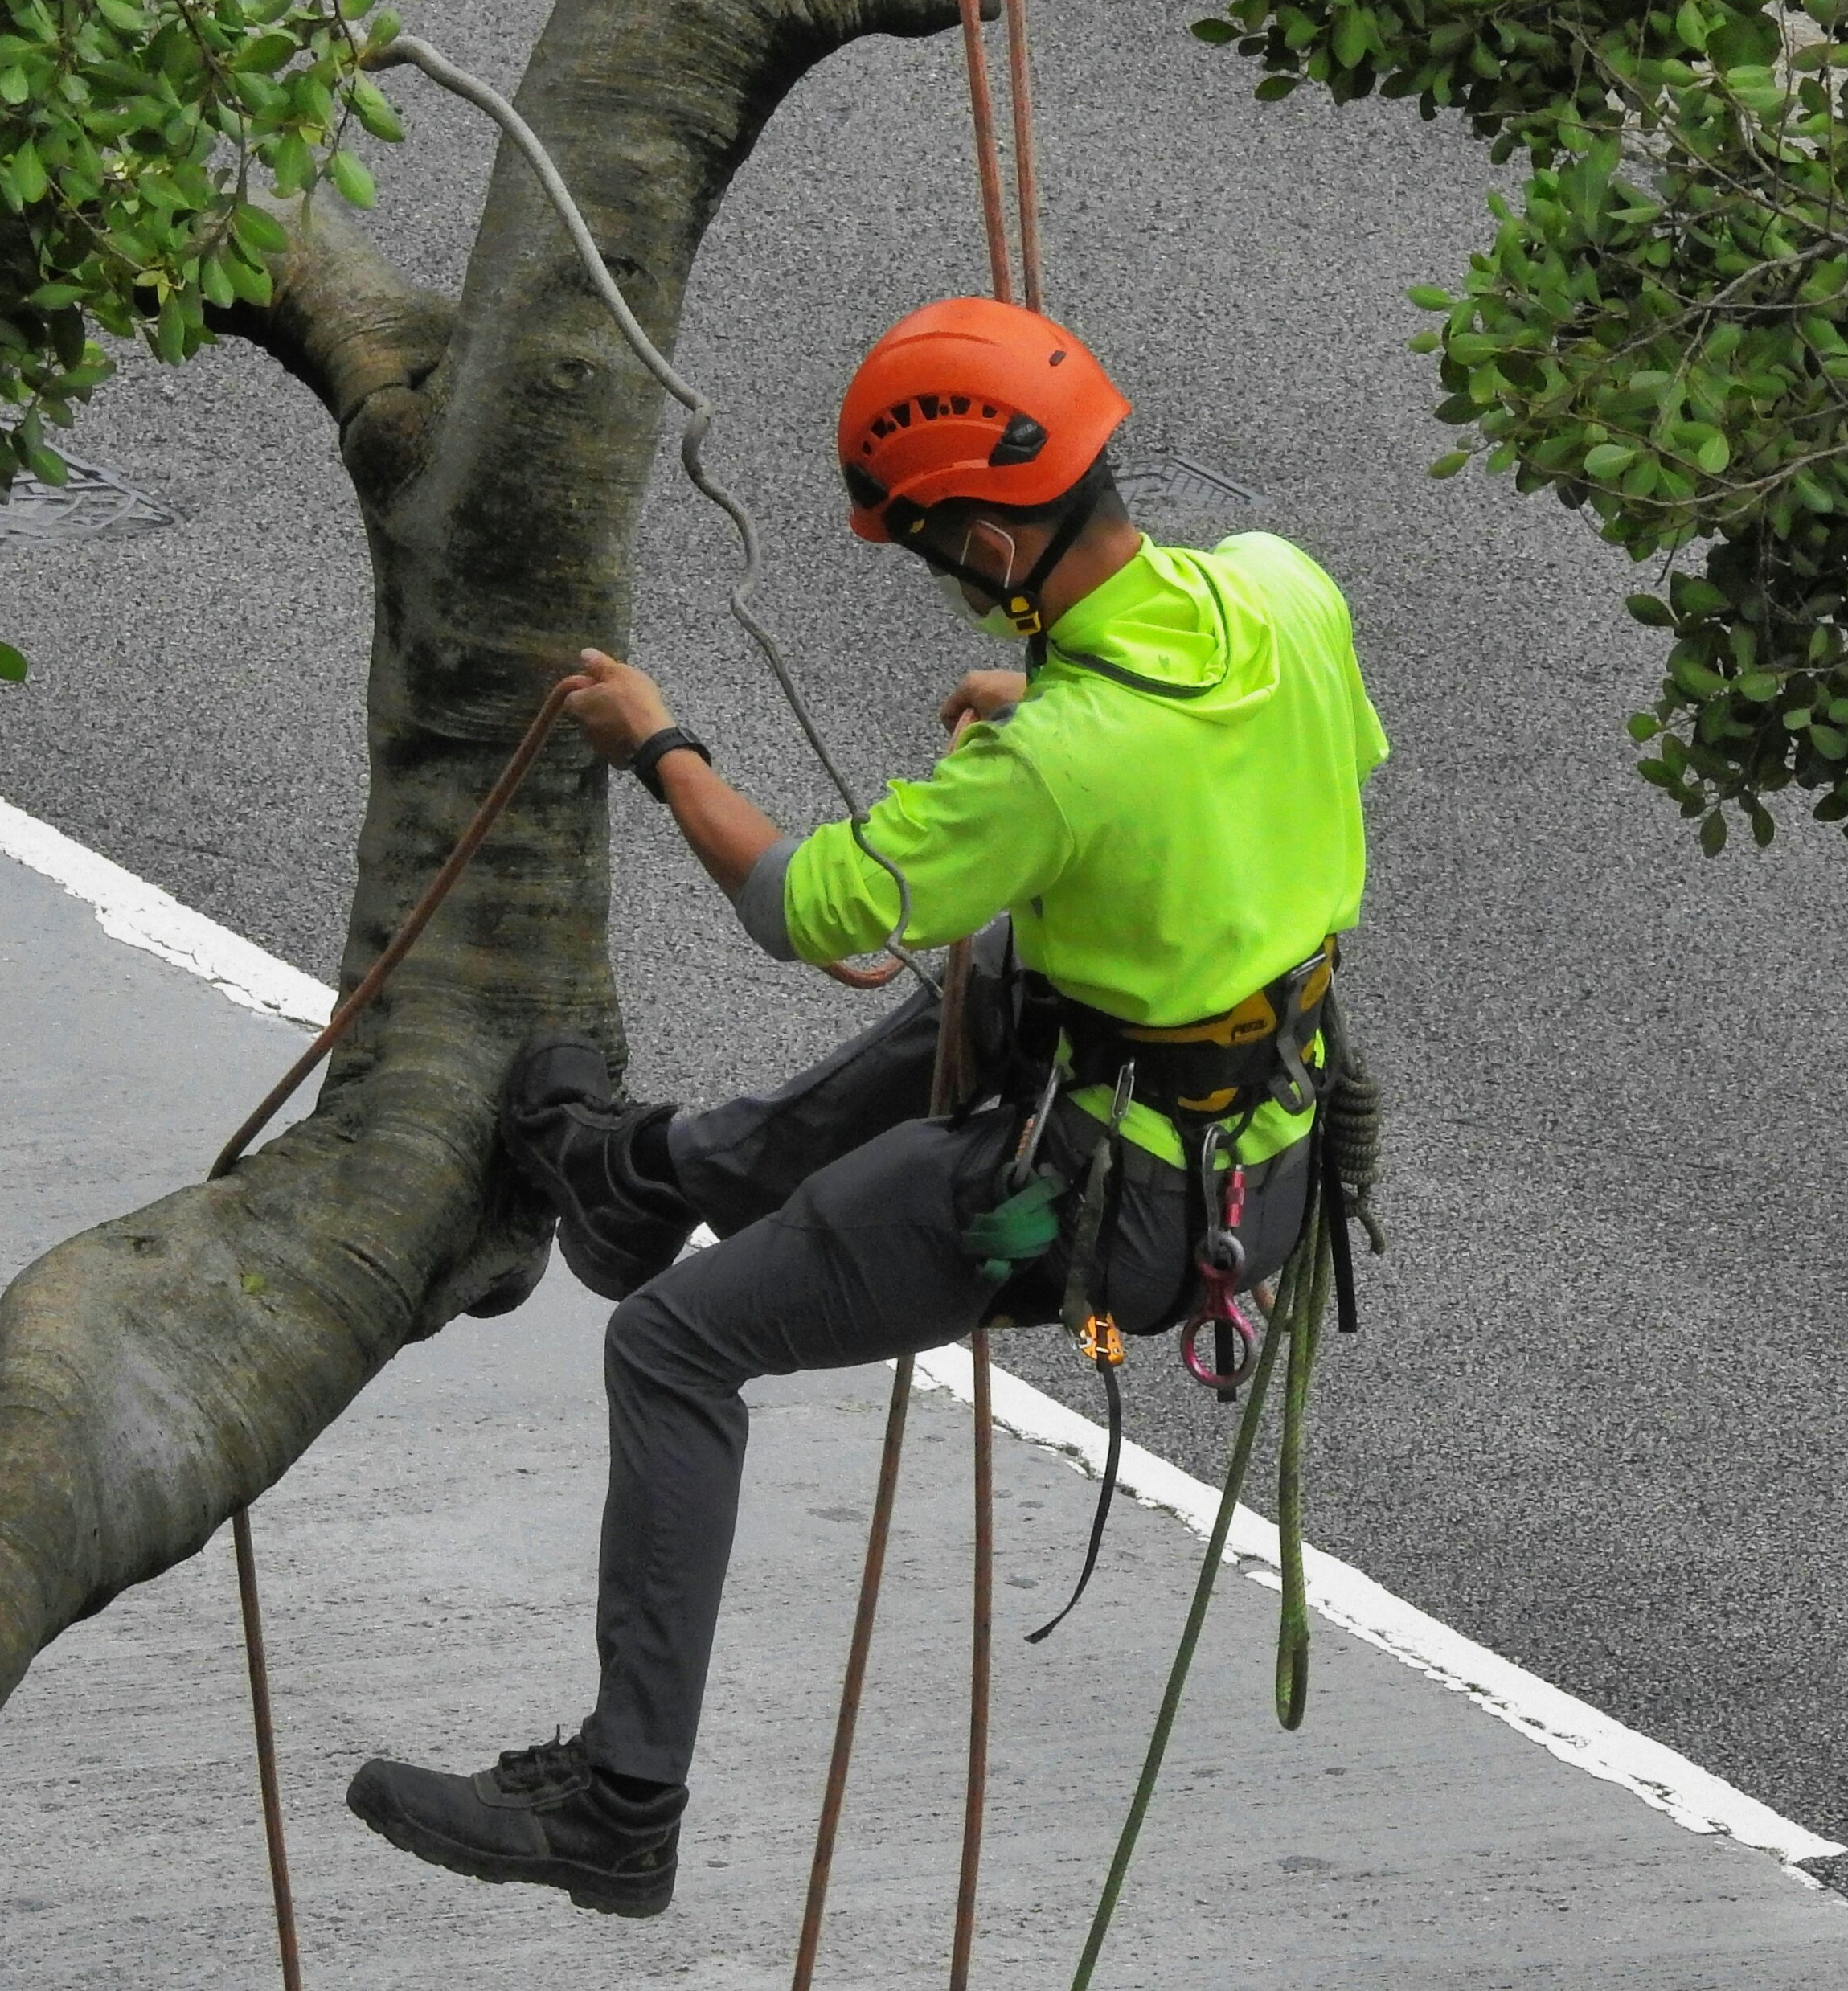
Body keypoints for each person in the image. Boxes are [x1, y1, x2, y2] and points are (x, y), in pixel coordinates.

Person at [345, 295, 1390, 1918]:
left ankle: (621, 1805)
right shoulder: (1279, 585)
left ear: (982, 534)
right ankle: (640, 1175)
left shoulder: (1062, 761)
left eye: (932, 549)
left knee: (674, 1344)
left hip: (1126, 1197)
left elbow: (801, 907)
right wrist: (1043, 717)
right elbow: (1244, 771)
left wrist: (659, 742)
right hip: (1257, 1124)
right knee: (1003, 976)